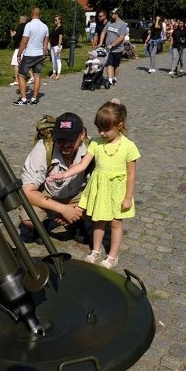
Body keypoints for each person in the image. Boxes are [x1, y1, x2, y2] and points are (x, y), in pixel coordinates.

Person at [48, 100, 140, 269]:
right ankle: (95, 250)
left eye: (106, 129)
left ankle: (113, 255)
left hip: (117, 189)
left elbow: (132, 174)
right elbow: (82, 165)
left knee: (115, 222)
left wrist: (128, 197)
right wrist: (63, 174)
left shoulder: (129, 147)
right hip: (99, 188)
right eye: (99, 129)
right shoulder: (96, 143)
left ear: (120, 125)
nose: (102, 133)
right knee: (98, 220)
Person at [20, 112, 89, 236]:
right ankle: (44, 225)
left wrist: (77, 210)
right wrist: (62, 209)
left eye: (70, 139)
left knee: (105, 204)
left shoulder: (92, 149)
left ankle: (76, 221)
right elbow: (27, 192)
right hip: (49, 194)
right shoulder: (43, 149)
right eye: (60, 139)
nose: (65, 144)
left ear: (82, 135)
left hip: (77, 194)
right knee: (29, 219)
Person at [13, 7, 49, 106]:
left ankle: (23, 99)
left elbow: (24, 41)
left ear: (31, 14)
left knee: (21, 75)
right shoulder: (45, 27)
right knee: (37, 75)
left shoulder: (29, 25)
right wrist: (44, 54)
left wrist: (19, 53)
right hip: (39, 54)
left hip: (29, 54)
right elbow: (45, 44)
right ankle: (34, 99)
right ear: (39, 14)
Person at [99, 8, 127, 86]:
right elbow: (103, 32)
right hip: (108, 49)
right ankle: (110, 80)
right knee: (108, 64)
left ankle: (115, 78)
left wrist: (113, 45)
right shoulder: (109, 23)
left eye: (112, 14)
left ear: (117, 14)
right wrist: (101, 43)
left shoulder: (122, 24)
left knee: (116, 65)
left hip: (118, 49)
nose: (111, 15)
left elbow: (121, 37)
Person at [9, 14, 28, 86]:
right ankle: (29, 77)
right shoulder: (27, 26)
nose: (19, 20)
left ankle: (17, 80)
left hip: (19, 47)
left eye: (20, 19)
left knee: (15, 63)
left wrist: (13, 35)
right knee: (23, 63)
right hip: (25, 46)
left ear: (23, 19)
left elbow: (17, 37)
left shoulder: (21, 26)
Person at [49, 15, 64, 80]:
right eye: (54, 20)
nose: (54, 21)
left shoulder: (61, 28)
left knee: (57, 59)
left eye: (56, 20)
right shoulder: (55, 28)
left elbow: (60, 38)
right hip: (52, 45)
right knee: (53, 60)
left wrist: (59, 47)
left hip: (57, 46)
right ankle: (54, 72)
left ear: (59, 20)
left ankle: (58, 74)